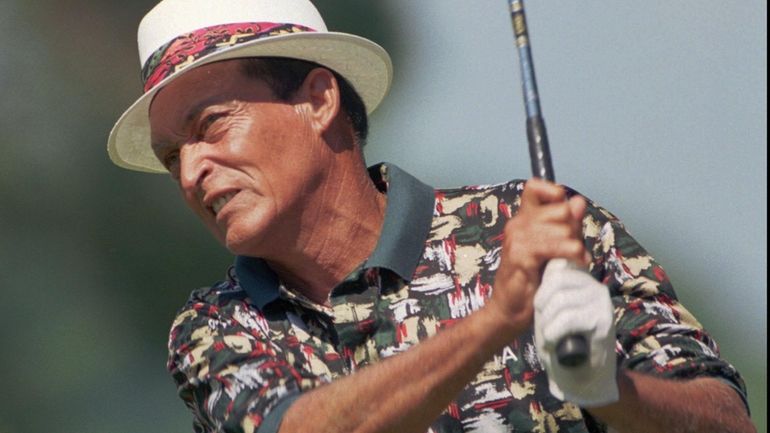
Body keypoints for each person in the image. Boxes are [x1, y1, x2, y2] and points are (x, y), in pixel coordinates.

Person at [108, 1, 756, 432]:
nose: (191, 171)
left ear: (317, 99)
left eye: (212, 125)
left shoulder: (532, 226)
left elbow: (725, 418)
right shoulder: (214, 328)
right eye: (173, 155)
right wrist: (499, 319)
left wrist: (607, 387)